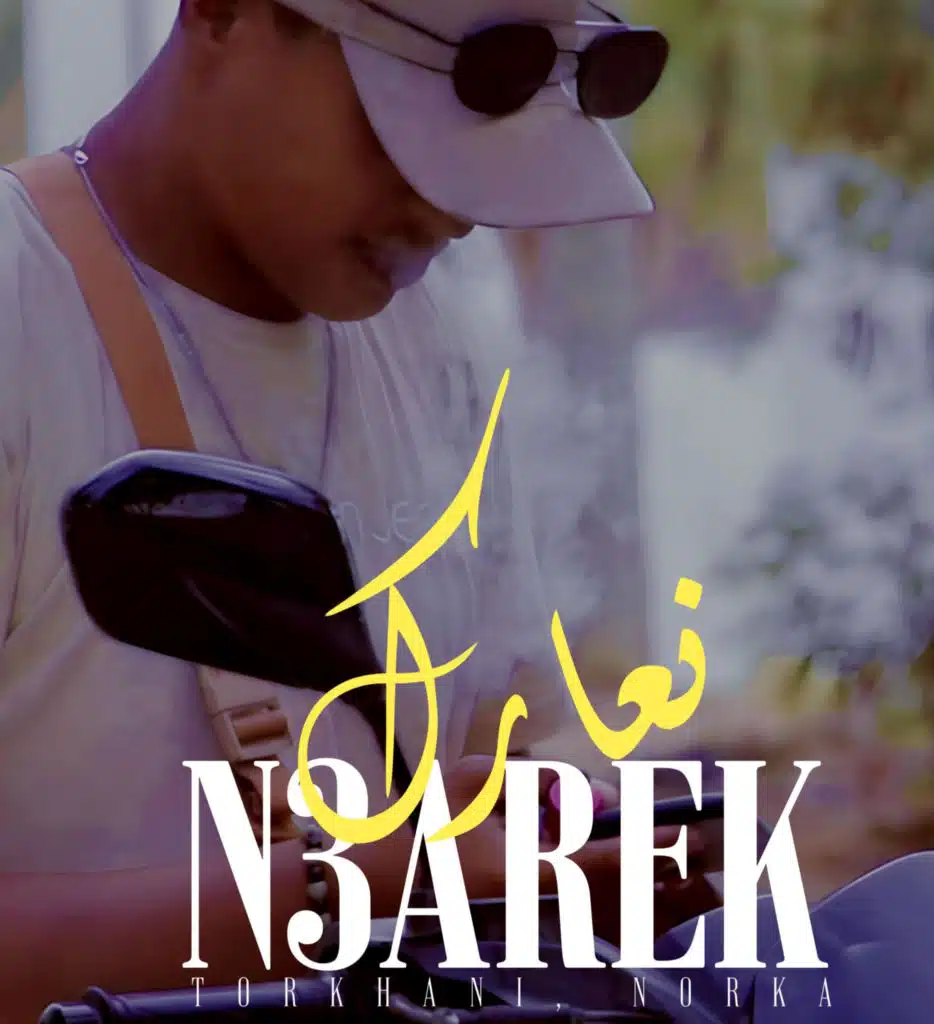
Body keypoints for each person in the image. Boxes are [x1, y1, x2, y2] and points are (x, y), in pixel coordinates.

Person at [0, 1, 713, 1019]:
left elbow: (494, 770)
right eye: (397, 128)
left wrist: (560, 857)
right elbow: (415, 868)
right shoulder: (19, 311)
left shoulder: (435, 353)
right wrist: (361, 886)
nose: (451, 210)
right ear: (225, 12)